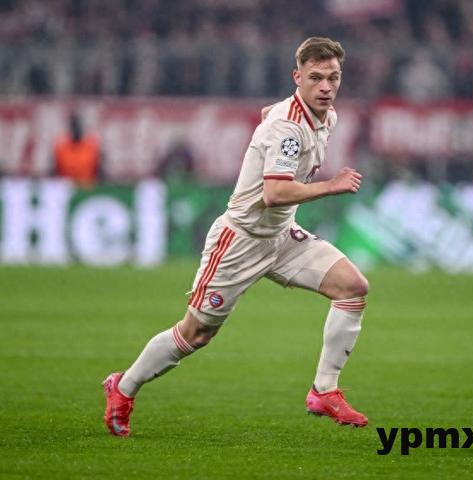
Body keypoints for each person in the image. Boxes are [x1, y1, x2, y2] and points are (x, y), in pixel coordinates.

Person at [103, 37, 370, 436]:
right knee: (196, 334)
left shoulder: (323, 116)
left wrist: (268, 129)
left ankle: (324, 390)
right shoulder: (287, 129)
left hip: (281, 237)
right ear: (297, 77)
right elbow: (274, 192)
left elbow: (267, 113)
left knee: (353, 287)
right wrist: (332, 185)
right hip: (240, 241)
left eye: (333, 77)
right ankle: (123, 387)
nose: (326, 87)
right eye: (315, 78)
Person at [53, 113, 101, 187]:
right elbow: (55, 170)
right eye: (74, 127)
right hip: (66, 187)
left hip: (87, 187)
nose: (76, 130)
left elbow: (99, 170)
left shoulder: (92, 147)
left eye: (78, 127)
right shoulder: (61, 147)